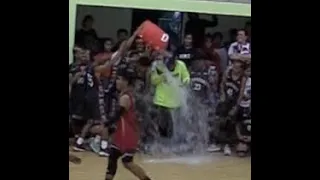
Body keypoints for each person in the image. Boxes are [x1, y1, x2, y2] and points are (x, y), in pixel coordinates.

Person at [104, 67, 152, 180]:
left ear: (126, 81)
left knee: (127, 162)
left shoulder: (125, 97)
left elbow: (117, 115)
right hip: (125, 132)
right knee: (114, 157)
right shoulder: (128, 94)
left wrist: (106, 124)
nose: (117, 82)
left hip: (127, 134)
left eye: (119, 79)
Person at [207, 60, 245, 155]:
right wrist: (222, 95)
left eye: (237, 68)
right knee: (218, 120)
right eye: (234, 67)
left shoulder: (243, 78)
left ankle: (227, 145)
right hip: (225, 101)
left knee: (230, 121)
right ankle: (215, 143)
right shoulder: (227, 73)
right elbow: (222, 85)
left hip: (234, 102)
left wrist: (236, 107)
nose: (235, 69)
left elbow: (241, 94)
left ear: (241, 69)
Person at [150, 51, 190, 140]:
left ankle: (177, 142)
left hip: (177, 100)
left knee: (177, 125)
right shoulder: (158, 66)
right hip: (162, 101)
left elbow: (186, 76)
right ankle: (163, 143)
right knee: (163, 125)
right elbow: (153, 81)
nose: (170, 67)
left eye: (171, 65)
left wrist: (185, 82)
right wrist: (162, 76)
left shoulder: (181, 65)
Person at [236, 66, 251, 157]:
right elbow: (237, 123)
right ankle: (243, 144)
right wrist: (239, 136)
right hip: (244, 135)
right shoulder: (241, 107)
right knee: (241, 152)